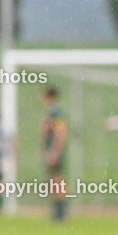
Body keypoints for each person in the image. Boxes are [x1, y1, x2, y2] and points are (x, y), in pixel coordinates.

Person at [40, 87, 68, 222]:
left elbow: (60, 130)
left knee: (57, 180)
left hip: (54, 151)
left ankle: (60, 213)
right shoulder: (51, 111)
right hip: (51, 150)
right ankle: (57, 211)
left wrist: (55, 151)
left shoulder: (56, 111)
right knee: (53, 180)